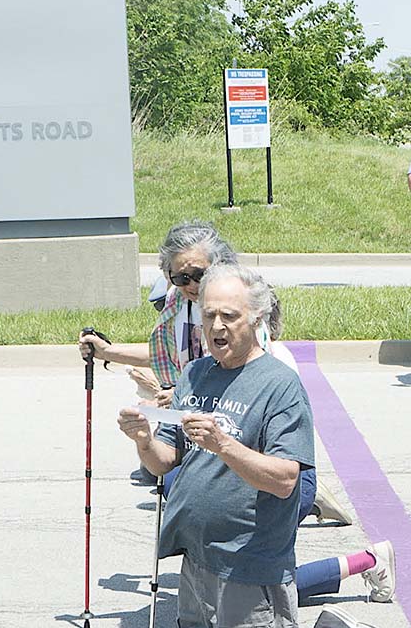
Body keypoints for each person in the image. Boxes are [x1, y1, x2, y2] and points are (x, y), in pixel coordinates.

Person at [117, 264, 411, 628]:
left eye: (229, 316)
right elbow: (166, 462)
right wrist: (143, 440)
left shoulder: (279, 384)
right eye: (209, 314)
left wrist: (222, 444)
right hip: (198, 555)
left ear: (255, 318)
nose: (216, 326)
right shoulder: (195, 375)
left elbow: (285, 478)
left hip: (247, 559)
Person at [83, 220, 396, 601]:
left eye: (196, 275)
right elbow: (172, 364)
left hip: (264, 471)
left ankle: (353, 610)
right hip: (216, 462)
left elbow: (246, 401)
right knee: (230, 590)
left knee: (261, 586)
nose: (188, 286)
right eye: (177, 276)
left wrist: (184, 409)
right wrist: (113, 359)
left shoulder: (259, 349)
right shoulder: (181, 314)